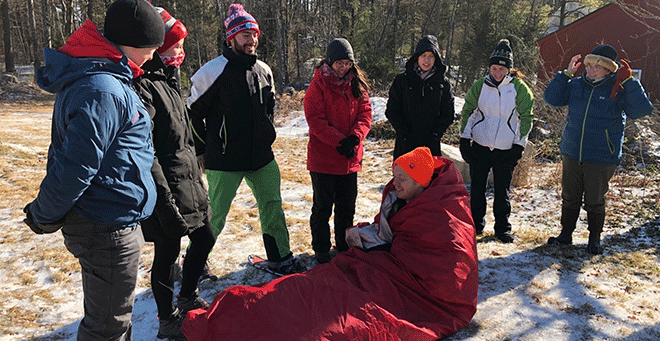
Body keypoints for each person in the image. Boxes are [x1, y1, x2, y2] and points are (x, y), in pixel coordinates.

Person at [181, 147, 478, 340]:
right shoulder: (403, 199)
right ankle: (235, 312)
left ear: (421, 182)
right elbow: (389, 236)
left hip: (416, 293)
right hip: (379, 271)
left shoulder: (442, 214)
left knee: (329, 320)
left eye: (403, 178)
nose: (395, 183)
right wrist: (361, 235)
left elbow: (445, 266)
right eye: (395, 176)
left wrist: (374, 247)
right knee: (301, 288)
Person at [22, 0, 162, 339]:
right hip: (106, 227)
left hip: (112, 221)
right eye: (151, 48)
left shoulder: (108, 79)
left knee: (113, 320)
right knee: (106, 328)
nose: (153, 56)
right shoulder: (103, 89)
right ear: (134, 42)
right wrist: (43, 215)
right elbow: (74, 167)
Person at [188, 4, 303, 275]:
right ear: (231, 38)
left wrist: (267, 134)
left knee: (272, 207)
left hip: (261, 157)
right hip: (225, 159)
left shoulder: (264, 70)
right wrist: (201, 150)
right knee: (214, 215)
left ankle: (280, 258)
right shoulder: (212, 72)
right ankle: (194, 264)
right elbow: (191, 115)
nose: (251, 40)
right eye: (244, 35)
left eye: (254, 34)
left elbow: (269, 108)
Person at [134, 7, 216, 340]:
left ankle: (188, 294)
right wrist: (162, 197)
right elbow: (146, 150)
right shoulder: (145, 87)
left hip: (189, 182)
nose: (180, 53)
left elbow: (183, 135)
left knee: (205, 237)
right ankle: (167, 318)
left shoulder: (169, 80)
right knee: (166, 255)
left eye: (182, 46)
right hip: (166, 187)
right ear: (157, 46)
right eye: (175, 46)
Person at [544, 44, 653, 254]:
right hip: (572, 150)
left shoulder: (619, 89)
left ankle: (594, 239)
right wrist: (565, 74)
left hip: (602, 155)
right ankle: (565, 235)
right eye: (589, 65)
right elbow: (551, 99)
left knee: (594, 200)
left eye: (597, 67)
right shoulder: (576, 85)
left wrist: (630, 81)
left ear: (609, 69)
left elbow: (641, 110)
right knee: (570, 196)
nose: (590, 70)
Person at [303, 38, 372, 264]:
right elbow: (316, 121)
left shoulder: (357, 84)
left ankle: (343, 247)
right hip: (323, 160)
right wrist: (340, 142)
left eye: (347, 63)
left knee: (346, 207)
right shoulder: (317, 86)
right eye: (339, 63)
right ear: (329, 62)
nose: (343, 67)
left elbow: (365, 113)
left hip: (349, 159)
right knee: (322, 208)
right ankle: (321, 250)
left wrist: (355, 138)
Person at [459, 39, 534, 243]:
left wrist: (519, 146)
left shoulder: (519, 88)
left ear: (509, 69)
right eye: (494, 67)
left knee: (502, 190)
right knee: (477, 188)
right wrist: (465, 139)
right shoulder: (479, 86)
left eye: (502, 68)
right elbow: (469, 112)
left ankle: (502, 228)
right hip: (481, 144)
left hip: (505, 148)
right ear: (489, 67)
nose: (497, 72)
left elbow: (526, 118)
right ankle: (475, 224)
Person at [385, 35, 455, 160]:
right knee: (405, 178)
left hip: (430, 146)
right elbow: (392, 110)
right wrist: (404, 133)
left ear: (436, 59)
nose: (426, 60)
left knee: (429, 179)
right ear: (417, 57)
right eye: (423, 56)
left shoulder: (442, 83)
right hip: (405, 144)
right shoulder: (402, 80)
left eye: (431, 56)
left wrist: (436, 134)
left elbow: (448, 113)